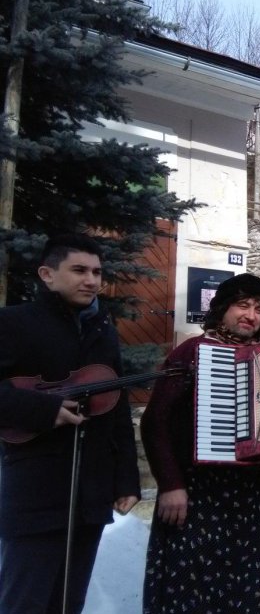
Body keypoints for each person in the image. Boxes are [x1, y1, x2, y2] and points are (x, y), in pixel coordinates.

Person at [0, 234, 140, 614]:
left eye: (96, 272)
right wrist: (43, 411)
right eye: (78, 270)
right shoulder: (13, 323)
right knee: (24, 600)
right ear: (47, 274)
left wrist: (126, 477)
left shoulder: (103, 332)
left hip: (90, 491)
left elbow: (116, 406)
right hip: (36, 490)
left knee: (69, 602)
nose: (91, 280)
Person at [141, 273, 260, 613]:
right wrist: (170, 484)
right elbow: (155, 422)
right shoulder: (193, 351)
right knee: (193, 591)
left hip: (249, 497)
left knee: (252, 591)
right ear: (222, 309)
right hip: (197, 494)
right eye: (242, 305)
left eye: (258, 309)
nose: (251, 315)